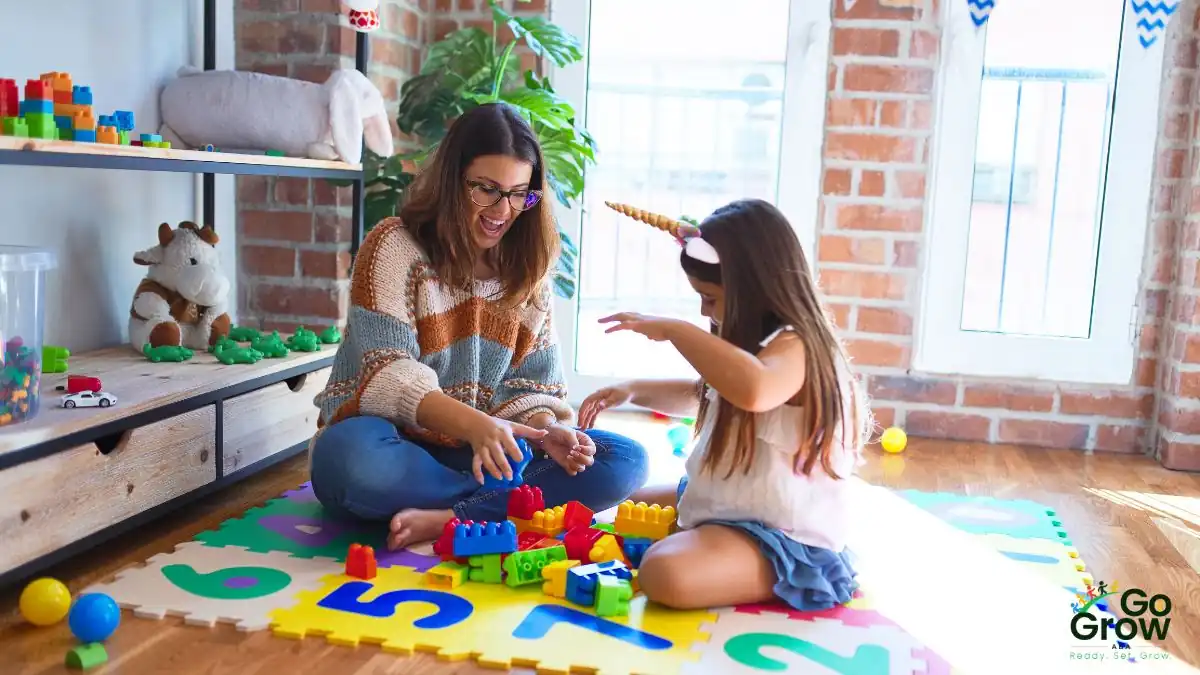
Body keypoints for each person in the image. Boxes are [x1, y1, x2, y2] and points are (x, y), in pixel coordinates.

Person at [309, 103, 649, 551]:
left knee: (623, 459)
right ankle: (503, 507)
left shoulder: (527, 273)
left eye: (518, 193)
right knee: (349, 463)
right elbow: (384, 375)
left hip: (484, 456)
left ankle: (453, 517)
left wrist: (550, 431)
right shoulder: (394, 246)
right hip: (395, 445)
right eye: (486, 189)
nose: (502, 210)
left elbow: (533, 387)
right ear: (453, 181)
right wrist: (475, 426)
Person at [577, 199, 871, 611]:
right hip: (737, 499)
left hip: (780, 534)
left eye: (710, 298)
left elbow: (755, 390)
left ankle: (781, 576)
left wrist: (675, 331)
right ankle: (708, 546)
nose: (703, 311)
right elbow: (705, 393)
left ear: (757, 290)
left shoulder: (799, 347)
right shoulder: (750, 346)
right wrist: (632, 390)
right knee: (627, 506)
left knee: (663, 573)